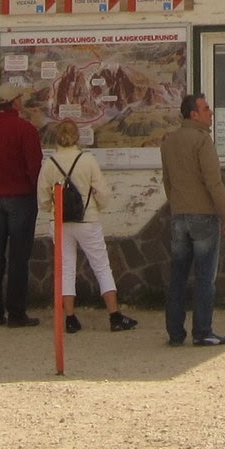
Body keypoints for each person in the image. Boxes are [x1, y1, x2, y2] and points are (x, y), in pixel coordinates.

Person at [37, 119, 137, 334]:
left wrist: (54, 209)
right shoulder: (87, 160)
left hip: (61, 222)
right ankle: (114, 315)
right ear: (77, 137)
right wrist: (96, 206)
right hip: (87, 220)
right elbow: (103, 192)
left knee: (66, 269)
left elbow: (43, 198)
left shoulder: (49, 163)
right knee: (101, 266)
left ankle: (70, 318)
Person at [159, 92, 225, 348]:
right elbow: (213, 182)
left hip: (179, 214)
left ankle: (175, 332)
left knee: (178, 276)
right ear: (194, 114)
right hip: (203, 215)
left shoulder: (169, 141)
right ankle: (203, 331)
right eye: (206, 108)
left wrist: (176, 205)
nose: (210, 112)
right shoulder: (202, 142)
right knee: (204, 277)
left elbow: (167, 181)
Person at [0, 100, 43, 328]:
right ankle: (16, 312)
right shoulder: (25, 129)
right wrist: (35, 191)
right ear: (16, 102)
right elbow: (34, 165)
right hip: (21, 198)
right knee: (18, 257)